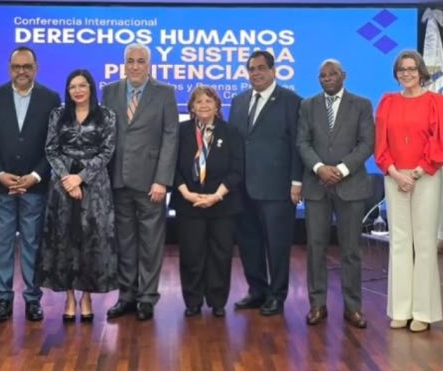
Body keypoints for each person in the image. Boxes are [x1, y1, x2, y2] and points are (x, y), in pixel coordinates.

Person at [374, 50, 443, 333]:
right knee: (398, 242)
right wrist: (396, 173)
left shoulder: (438, 102)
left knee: (424, 242)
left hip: (426, 176)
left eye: (411, 68)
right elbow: (380, 145)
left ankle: (423, 312)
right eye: (401, 69)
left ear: (421, 72)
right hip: (394, 176)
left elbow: (442, 141)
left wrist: (418, 172)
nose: (406, 73)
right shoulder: (387, 102)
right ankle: (400, 309)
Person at [294, 59, 375, 329]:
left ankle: (353, 307)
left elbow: (367, 143)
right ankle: (317, 305)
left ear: (344, 75)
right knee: (315, 247)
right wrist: (319, 168)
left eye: (332, 74)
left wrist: (341, 169)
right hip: (316, 185)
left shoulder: (361, 104)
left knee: (350, 250)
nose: (327, 78)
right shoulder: (308, 105)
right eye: (322, 75)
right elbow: (302, 142)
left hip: (350, 186)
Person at [0, 46, 60, 323]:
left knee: (33, 243)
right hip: (1, 185)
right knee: (1, 244)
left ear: (36, 68)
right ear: (9, 68)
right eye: (17, 67)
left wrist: (36, 175)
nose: (22, 72)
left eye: (27, 66)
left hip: (35, 185)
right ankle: (3, 299)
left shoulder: (51, 98)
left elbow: (54, 144)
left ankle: (32, 299)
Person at [103, 45, 178, 321]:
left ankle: (147, 297)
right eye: (130, 61)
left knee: (150, 243)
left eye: (141, 61)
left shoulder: (165, 92)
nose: (135, 66)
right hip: (118, 179)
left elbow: (171, 136)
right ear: (124, 64)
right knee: (124, 242)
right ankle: (126, 296)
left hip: (151, 183)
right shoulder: (110, 91)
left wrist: (162, 180)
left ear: (149, 65)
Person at [36, 69, 118, 322]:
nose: (78, 90)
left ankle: (87, 296)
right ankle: (70, 297)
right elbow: (51, 149)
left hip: (95, 186)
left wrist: (80, 178)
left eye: (82, 85)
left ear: (91, 87)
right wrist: (68, 179)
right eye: (72, 86)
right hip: (62, 186)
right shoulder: (58, 114)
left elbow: (107, 151)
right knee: (65, 239)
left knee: (91, 239)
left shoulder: (106, 115)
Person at [228, 50, 302, 316]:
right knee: (249, 243)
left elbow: (298, 145)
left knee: (277, 246)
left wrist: (297, 181)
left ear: (273, 71)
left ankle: (277, 295)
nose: (256, 73)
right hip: (242, 188)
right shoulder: (238, 101)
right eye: (251, 69)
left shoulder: (292, 101)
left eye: (261, 68)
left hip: (277, 189)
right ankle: (257, 290)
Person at [170, 86, 243, 318]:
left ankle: (218, 301)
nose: (203, 105)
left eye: (208, 101)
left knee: (221, 255)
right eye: (198, 101)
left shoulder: (230, 132)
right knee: (191, 254)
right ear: (191, 107)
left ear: (217, 106)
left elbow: (237, 170)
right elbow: (171, 165)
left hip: (222, 203)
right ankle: (193, 301)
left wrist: (217, 195)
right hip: (188, 203)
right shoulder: (180, 131)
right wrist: (186, 193)